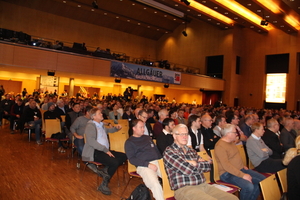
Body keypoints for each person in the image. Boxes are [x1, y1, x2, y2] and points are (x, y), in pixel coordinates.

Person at [163, 124, 238, 200]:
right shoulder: (170, 152)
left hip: (204, 185)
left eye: (186, 134)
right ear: (174, 136)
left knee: (233, 198)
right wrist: (198, 163)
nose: (185, 137)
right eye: (181, 134)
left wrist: (194, 162)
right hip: (185, 189)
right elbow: (187, 170)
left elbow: (208, 166)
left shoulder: (191, 151)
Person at [82, 108, 127, 195]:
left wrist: (116, 128)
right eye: (99, 113)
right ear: (94, 116)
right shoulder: (90, 126)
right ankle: (104, 184)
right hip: (95, 151)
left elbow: (109, 130)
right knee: (114, 162)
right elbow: (91, 141)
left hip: (104, 150)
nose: (102, 114)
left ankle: (104, 171)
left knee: (123, 156)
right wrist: (105, 150)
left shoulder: (100, 125)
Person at [214, 124, 265, 200]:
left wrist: (242, 166)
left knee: (263, 180)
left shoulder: (231, 142)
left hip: (239, 169)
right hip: (227, 174)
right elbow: (226, 166)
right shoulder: (220, 146)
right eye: (235, 132)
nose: (237, 134)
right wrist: (243, 175)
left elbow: (235, 157)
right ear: (228, 134)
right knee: (248, 186)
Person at [125, 119, 163, 200]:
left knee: (171, 177)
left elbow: (156, 151)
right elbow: (132, 159)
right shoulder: (129, 142)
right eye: (141, 127)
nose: (143, 129)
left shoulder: (147, 138)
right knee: (155, 184)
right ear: (134, 128)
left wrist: (162, 161)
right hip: (144, 165)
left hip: (157, 162)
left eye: (143, 127)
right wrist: (148, 164)